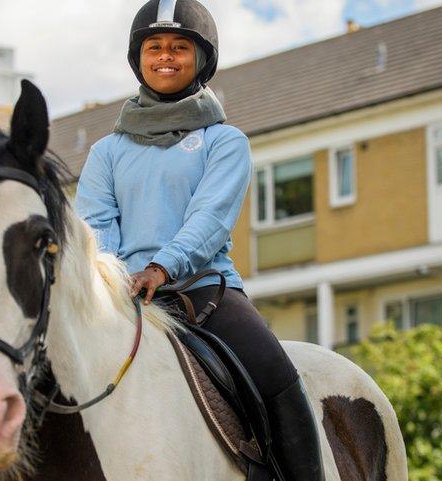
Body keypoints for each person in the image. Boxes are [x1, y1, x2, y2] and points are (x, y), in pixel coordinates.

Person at [75, 1, 325, 480]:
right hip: (122, 298)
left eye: (179, 47)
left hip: (205, 292)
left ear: (201, 59)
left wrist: (163, 267)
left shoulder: (224, 141)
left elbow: (209, 218)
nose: (165, 56)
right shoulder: (106, 152)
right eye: (154, 47)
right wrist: (118, 278)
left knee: (276, 375)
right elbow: (95, 225)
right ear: (138, 58)